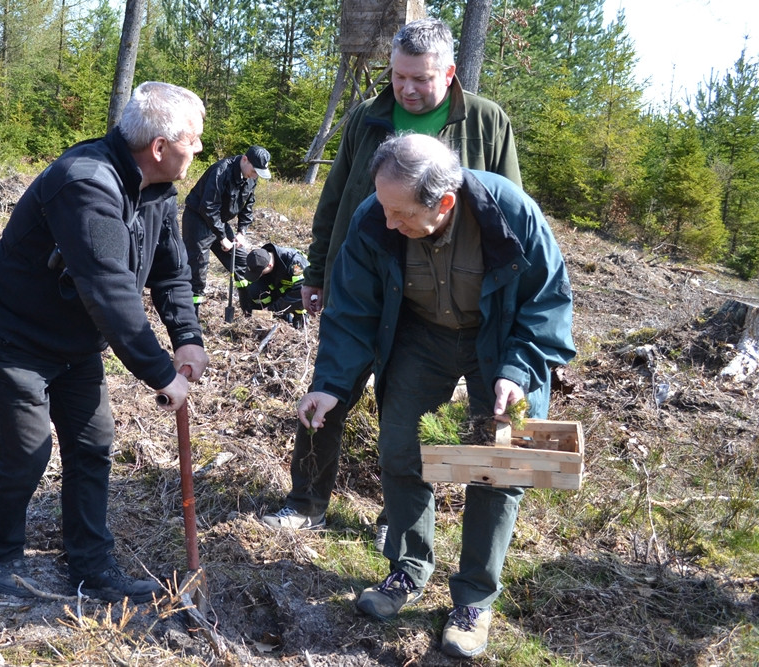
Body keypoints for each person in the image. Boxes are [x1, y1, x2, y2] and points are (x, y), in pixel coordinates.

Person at [296, 134, 574, 657]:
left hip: (502, 339)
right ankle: (407, 569)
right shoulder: (374, 217)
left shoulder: (509, 213)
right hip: (420, 335)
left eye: (399, 212)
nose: (387, 220)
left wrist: (518, 370)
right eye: (383, 206)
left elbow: (549, 302)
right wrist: (331, 385)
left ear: (443, 202)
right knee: (401, 445)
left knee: (499, 465)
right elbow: (351, 310)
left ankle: (473, 600)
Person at [262, 17, 522, 546]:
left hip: (441, 298)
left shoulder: (487, 123)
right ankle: (306, 501)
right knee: (331, 388)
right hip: (363, 281)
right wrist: (317, 270)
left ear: (449, 74)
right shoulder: (368, 118)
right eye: (399, 76)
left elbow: (507, 220)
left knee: (403, 409)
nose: (406, 88)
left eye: (420, 79)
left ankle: (395, 518)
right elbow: (335, 197)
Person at [0, 81, 210, 603]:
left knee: (91, 447)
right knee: (25, 452)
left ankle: (91, 567)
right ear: (161, 146)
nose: (201, 149)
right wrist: (160, 372)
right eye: (194, 138)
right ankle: (1, 556)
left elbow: (171, 271)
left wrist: (186, 337)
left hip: (76, 342)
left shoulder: (158, 190)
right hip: (15, 333)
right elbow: (109, 290)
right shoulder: (87, 183)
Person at [182, 145, 272, 314]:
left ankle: (248, 310)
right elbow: (208, 206)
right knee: (198, 270)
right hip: (198, 219)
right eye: (254, 171)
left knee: (242, 262)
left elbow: (248, 205)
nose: (254, 176)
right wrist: (222, 237)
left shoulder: (252, 175)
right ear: (245, 159)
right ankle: (191, 317)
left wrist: (241, 232)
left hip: (220, 222)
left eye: (258, 173)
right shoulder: (221, 171)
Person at [240, 243, 308, 327]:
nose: (259, 275)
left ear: (269, 265)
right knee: (254, 289)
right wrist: (249, 312)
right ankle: (278, 317)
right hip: (279, 286)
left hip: (299, 293)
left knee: (299, 299)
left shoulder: (295, 262)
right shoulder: (260, 258)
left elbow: (300, 292)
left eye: (260, 273)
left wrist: (271, 309)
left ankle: (300, 317)